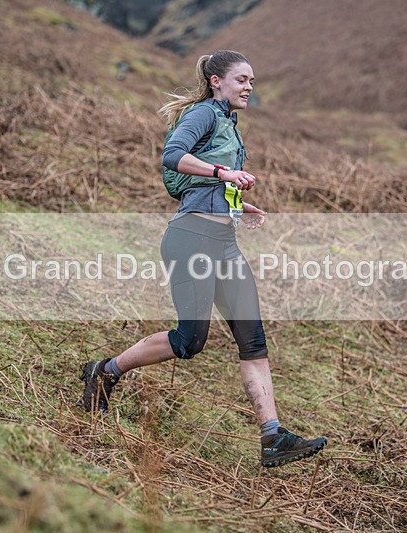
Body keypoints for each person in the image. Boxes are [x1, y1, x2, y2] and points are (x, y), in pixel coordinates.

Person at [81, 50, 327, 468]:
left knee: (253, 341)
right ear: (216, 81)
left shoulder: (229, 124)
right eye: (242, 79)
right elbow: (172, 155)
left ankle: (273, 436)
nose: (249, 87)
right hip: (191, 240)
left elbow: (207, 185)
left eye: (252, 81)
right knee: (189, 341)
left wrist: (239, 204)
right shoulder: (203, 114)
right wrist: (223, 173)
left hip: (225, 243)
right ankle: (105, 371)